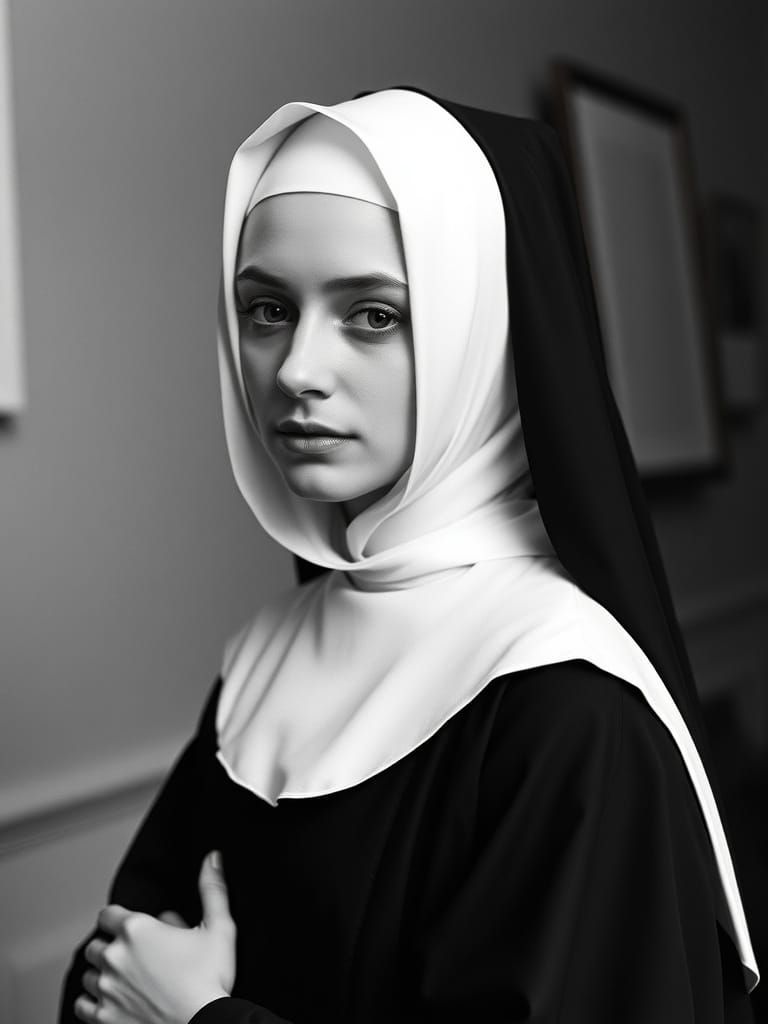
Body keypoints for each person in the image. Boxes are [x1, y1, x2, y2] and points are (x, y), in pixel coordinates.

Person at [60, 86, 759, 1024]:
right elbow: (113, 968)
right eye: (267, 309)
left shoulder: (575, 713)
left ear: (484, 335)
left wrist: (199, 1019)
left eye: (374, 316)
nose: (298, 369)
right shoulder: (266, 652)